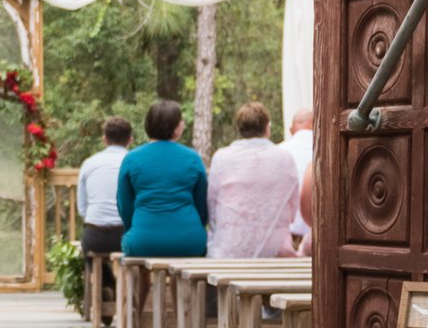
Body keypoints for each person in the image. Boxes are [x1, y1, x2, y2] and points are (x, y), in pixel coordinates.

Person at [206, 101, 301, 258]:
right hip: (275, 250)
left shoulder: (222, 157)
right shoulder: (284, 158)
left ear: (240, 128)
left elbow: (212, 207)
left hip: (229, 250)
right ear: (267, 128)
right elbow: (292, 211)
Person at [117, 100, 209, 258]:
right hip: (189, 241)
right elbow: (202, 204)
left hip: (144, 240)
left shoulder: (131, 159)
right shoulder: (192, 158)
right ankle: (175, 284)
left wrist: (137, 228)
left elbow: (124, 205)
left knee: (131, 246)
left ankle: (143, 284)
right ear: (176, 127)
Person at [74, 118, 132, 306]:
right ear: (130, 139)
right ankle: (123, 292)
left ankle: (108, 287)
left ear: (104, 139)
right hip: (126, 234)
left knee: (88, 249)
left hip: (95, 234)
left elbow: (82, 208)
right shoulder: (134, 162)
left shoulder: (89, 164)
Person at [280, 111, 315, 255]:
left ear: (290, 129)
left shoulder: (279, 151)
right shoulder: (328, 149)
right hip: (318, 236)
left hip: (287, 238)